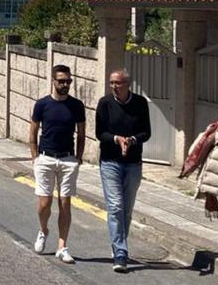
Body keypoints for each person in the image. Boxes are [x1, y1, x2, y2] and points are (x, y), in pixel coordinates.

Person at [29, 64, 86, 264]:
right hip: (45, 158)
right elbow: (33, 132)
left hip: (68, 159)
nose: (65, 84)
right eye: (61, 81)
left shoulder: (77, 106)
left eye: (68, 81)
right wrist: (35, 156)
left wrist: (78, 157)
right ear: (53, 81)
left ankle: (62, 246)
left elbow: (81, 133)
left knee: (65, 203)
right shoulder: (42, 105)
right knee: (44, 204)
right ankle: (43, 230)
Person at [95, 69, 150, 273]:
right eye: (111, 83)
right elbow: (100, 133)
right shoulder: (105, 103)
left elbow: (147, 132)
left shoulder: (140, 103)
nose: (114, 87)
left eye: (117, 83)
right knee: (116, 206)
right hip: (110, 161)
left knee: (126, 209)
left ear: (128, 83)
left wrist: (132, 140)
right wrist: (116, 139)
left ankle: (118, 244)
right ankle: (120, 252)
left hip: (133, 163)